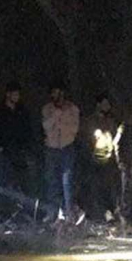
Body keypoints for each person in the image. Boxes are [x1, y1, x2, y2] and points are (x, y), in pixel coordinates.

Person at [42, 81, 80, 222]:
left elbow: (74, 129)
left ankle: (69, 211)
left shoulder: (72, 109)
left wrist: (63, 121)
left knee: (67, 181)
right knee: (52, 180)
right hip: (51, 147)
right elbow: (46, 125)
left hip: (67, 147)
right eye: (54, 93)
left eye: (59, 92)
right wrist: (56, 115)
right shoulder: (47, 109)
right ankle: (52, 211)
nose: (57, 96)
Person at [0, 81, 34, 194]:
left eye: (18, 94)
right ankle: (5, 207)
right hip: (5, 152)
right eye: (15, 94)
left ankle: (26, 207)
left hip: (19, 151)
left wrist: (26, 146)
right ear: (8, 94)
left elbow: (28, 130)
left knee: (24, 181)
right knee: (4, 181)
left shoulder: (22, 111)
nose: (17, 97)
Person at [81, 93, 121, 222]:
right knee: (96, 186)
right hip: (95, 159)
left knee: (110, 185)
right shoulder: (91, 121)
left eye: (108, 104)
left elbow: (115, 137)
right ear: (98, 104)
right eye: (104, 104)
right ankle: (100, 212)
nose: (107, 106)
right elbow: (87, 139)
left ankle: (112, 210)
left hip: (109, 159)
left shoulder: (111, 121)